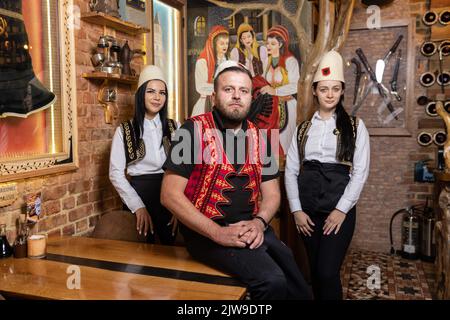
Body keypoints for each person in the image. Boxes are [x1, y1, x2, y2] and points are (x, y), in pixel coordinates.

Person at [161, 61, 311, 300]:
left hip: (252, 227)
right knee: (271, 281)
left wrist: (260, 223)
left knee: (300, 287)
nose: (236, 96)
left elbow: (272, 194)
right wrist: (218, 233)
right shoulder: (191, 130)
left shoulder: (261, 138)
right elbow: (169, 195)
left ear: (251, 98)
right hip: (206, 234)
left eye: (243, 91)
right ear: (214, 97)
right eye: (228, 89)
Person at [284, 51, 370, 300]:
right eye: (324, 89)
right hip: (307, 212)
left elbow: (360, 172)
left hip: (338, 211)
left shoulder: (355, 126)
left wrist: (341, 209)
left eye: (335, 89)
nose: (330, 94)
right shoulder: (303, 130)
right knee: (314, 271)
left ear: (342, 91)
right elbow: (290, 171)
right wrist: (297, 211)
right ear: (314, 91)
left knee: (327, 272)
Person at [109, 65, 179, 245]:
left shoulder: (176, 127)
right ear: (141, 94)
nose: (157, 97)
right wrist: (137, 206)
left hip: (170, 193)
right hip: (138, 194)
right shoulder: (124, 131)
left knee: (173, 252)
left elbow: (185, 171)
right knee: (139, 253)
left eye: (162, 93)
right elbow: (115, 173)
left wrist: (181, 206)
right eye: (151, 91)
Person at [260, 25, 300, 155]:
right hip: (270, 107)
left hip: (287, 106)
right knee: (270, 144)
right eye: (268, 43)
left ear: (281, 44)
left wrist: (275, 91)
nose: (269, 46)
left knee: (286, 142)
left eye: (273, 43)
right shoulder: (267, 61)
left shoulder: (291, 61)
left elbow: (295, 85)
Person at [191, 25, 229, 117]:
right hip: (206, 104)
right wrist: (220, 89)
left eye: (227, 43)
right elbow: (200, 87)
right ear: (214, 44)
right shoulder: (203, 61)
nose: (225, 46)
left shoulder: (228, 61)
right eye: (222, 43)